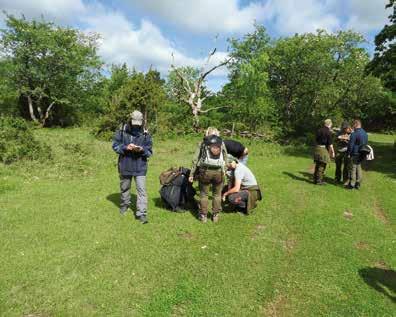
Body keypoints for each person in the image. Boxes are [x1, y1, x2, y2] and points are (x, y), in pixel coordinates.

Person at [112, 110, 153, 224]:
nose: (136, 125)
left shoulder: (146, 132)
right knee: (125, 187)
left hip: (140, 166)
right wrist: (126, 147)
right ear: (130, 120)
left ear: (142, 121)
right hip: (125, 164)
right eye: (134, 122)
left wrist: (142, 149)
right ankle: (124, 205)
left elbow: (149, 151)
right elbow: (115, 146)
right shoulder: (121, 130)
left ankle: (142, 214)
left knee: (142, 191)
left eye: (138, 123)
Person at [189, 127, 227, 223]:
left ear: (207, 134)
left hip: (205, 171)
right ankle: (215, 216)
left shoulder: (202, 143)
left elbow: (195, 160)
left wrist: (191, 174)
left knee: (203, 194)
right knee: (217, 194)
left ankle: (203, 216)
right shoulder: (221, 143)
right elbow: (226, 158)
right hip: (219, 172)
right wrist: (225, 171)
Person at [346, 119, 368, 190]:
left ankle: (351, 184)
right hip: (362, 153)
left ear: (355, 125)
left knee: (353, 168)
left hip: (355, 153)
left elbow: (351, 145)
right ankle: (358, 183)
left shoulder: (354, 133)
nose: (353, 127)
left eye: (353, 125)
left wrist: (348, 153)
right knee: (359, 167)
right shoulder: (365, 133)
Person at [313, 119, 335, 185]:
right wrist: (333, 152)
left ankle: (315, 179)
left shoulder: (319, 130)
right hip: (322, 149)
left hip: (317, 148)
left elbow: (316, 139)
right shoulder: (328, 132)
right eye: (331, 124)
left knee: (317, 164)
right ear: (329, 124)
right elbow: (330, 144)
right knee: (322, 165)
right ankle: (319, 181)